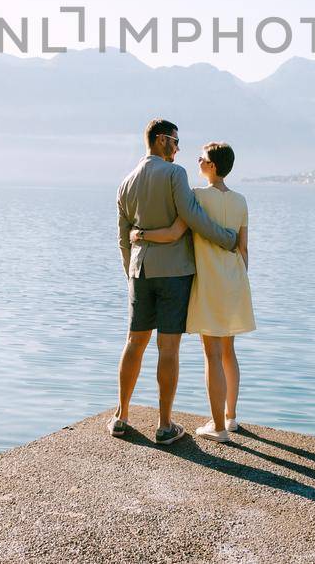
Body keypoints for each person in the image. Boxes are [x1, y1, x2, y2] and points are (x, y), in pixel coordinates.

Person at [112, 119, 238, 445]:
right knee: (168, 348)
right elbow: (192, 214)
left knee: (133, 343)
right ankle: (164, 425)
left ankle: (121, 416)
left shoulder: (126, 182)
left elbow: (124, 239)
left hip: (140, 272)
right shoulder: (174, 174)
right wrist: (226, 238)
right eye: (175, 141)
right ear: (160, 140)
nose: (179, 148)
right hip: (174, 274)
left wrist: (132, 271)